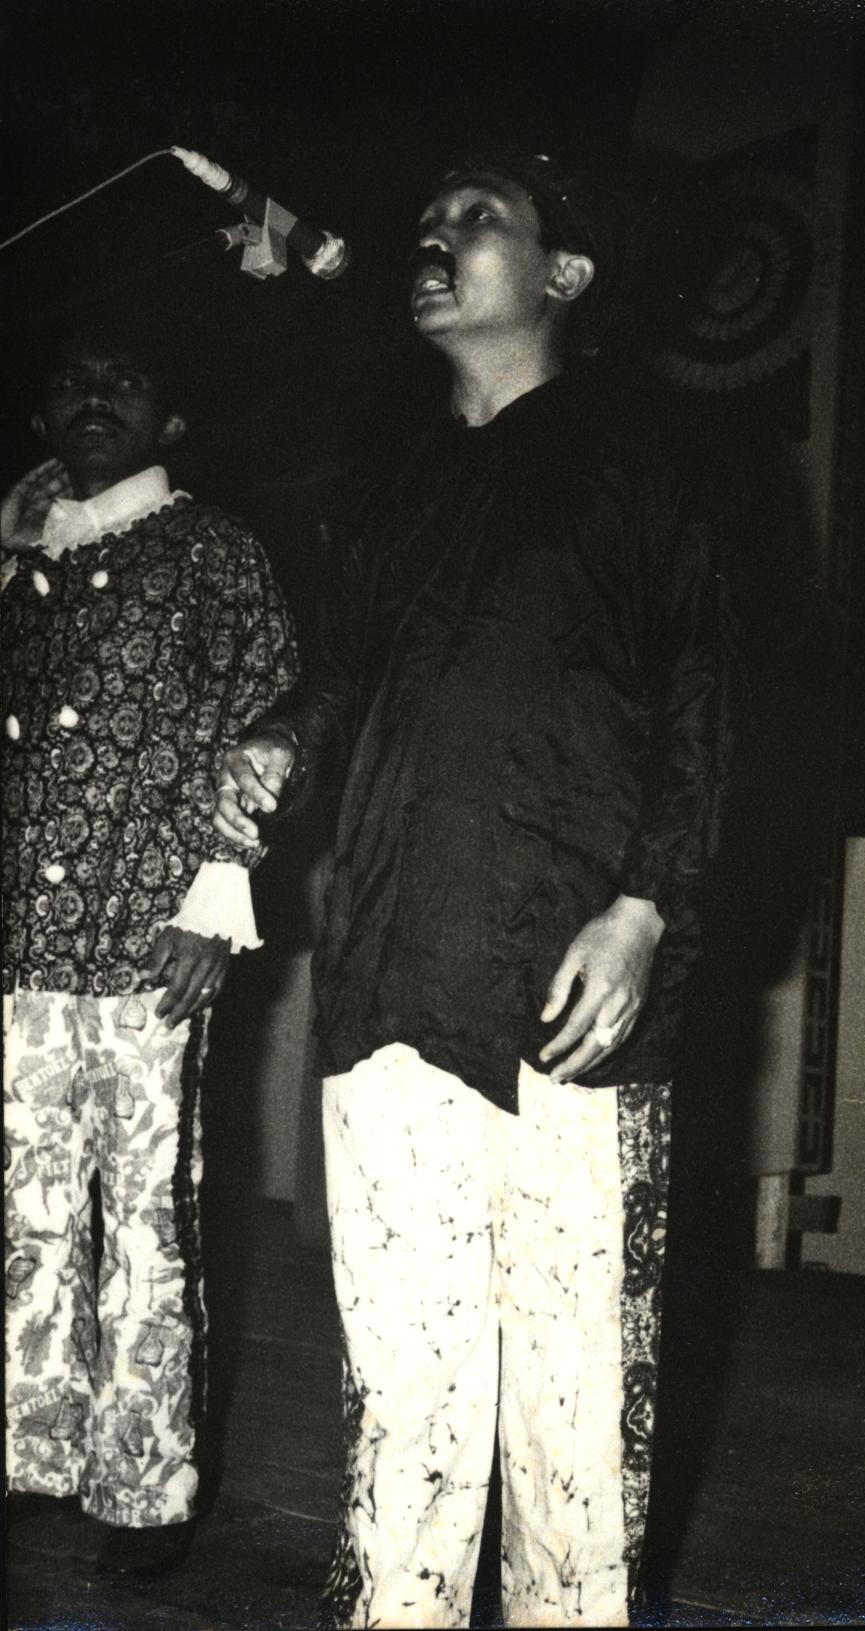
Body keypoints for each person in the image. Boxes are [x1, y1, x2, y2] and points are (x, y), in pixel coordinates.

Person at [215, 152, 732, 1629]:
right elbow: (345, 675)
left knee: (574, 1423)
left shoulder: (650, 459)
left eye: (477, 218)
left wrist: (644, 907)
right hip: (387, 980)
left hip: (570, 1002)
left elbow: (703, 701)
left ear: (565, 274)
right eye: (426, 218)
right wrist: (283, 740)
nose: (433, 236)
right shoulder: (394, 481)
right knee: (404, 1407)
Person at [2, 318, 299, 1577]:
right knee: (24, 1205)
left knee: (143, 1217)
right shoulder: (21, 561)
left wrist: (219, 892)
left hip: (152, 938)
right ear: (37, 421)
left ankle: (144, 1484)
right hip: (20, 940)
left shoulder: (213, 547)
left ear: (171, 420)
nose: (94, 396)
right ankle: (32, 1452)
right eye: (71, 381)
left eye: (124, 381)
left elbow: (272, 712)